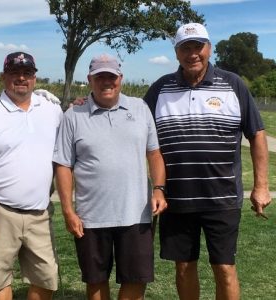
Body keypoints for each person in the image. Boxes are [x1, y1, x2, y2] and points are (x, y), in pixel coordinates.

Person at [144, 23, 272, 300]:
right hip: (176, 199)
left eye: (198, 47)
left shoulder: (233, 84)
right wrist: (88, 102)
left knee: (224, 268)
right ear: (177, 52)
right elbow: (131, 122)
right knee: (184, 267)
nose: (193, 54)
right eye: (185, 48)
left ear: (209, 48)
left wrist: (261, 186)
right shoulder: (159, 89)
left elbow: (257, 135)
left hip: (222, 198)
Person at [53, 53, 168, 300]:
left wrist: (158, 189)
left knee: (136, 280)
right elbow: (63, 165)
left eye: (111, 77)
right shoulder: (73, 115)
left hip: (136, 214)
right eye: (100, 77)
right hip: (91, 217)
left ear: (120, 79)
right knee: (96, 281)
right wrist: (68, 210)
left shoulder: (140, 108)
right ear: (90, 80)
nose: (106, 82)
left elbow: (155, 154)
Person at [0, 51, 62, 300]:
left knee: (46, 280)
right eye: (14, 73)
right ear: (3, 77)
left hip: (39, 213)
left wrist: (81, 103)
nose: (21, 78)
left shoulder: (52, 110)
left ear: (34, 77)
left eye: (27, 73)